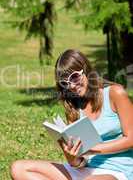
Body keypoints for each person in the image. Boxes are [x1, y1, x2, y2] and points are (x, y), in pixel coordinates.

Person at [11, 49, 133, 180]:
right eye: (65, 83)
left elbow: (130, 140)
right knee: (18, 168)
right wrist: (72, 158)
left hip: (117, 170)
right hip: (86, 170)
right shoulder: (74, 106)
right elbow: (80, 162)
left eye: (74, 77)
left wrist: (93, 149)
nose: (72, 86)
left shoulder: (115, 93)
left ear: (86, 70)